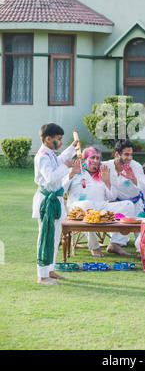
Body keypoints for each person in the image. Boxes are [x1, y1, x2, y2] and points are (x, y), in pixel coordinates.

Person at [63, 146, 136, 256]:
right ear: (84, 159)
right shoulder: (75, 171)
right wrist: (72, 173)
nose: (96, 161)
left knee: (128, 205)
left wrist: (107, 182)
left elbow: (111, 197)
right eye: (92, 157)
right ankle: (94, 246)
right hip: (78, 208)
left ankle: (115, 243)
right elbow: (61, 190)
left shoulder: (103, 173)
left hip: (100, 207)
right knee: (87, 204)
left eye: (98, 158)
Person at [32, 122, 77, 285]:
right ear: (48, 139)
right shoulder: (42, 156)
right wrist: (67, 167)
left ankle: (50, 269)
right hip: (46, 201)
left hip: (55, 200)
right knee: (46, 236)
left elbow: (59, 161)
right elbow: (50, 177)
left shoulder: (50, 153)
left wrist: (72, 148)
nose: (61, 142)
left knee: (55, 235)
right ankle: (42, 275)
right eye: (59, 139)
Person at [104, 139, 145, 252]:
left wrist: (133, 178)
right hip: (117, 206)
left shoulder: (136, 166)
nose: (129, 158)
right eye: (126, 154)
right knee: (120, 240)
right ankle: (115, 244)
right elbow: (89, 164)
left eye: (131, 154)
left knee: (142, 242)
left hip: (136, 204)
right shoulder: (106, 166)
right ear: (117, 154)